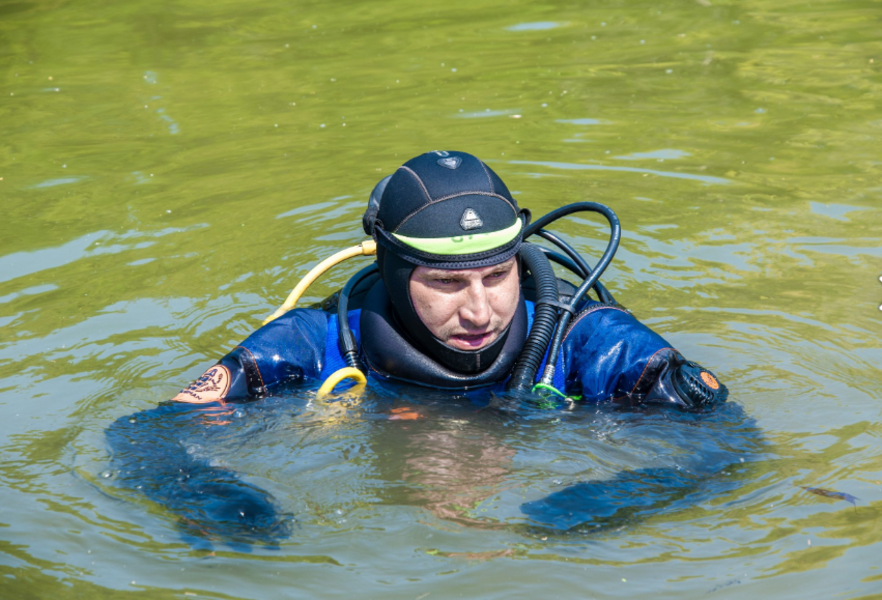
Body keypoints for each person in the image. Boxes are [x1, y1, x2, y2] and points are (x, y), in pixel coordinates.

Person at [171, 150, 727, 409]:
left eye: (498, 275)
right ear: (391, 269)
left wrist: (621, 498)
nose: (481, 312)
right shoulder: (320, 344)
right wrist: (224, 499)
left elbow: (727, 439)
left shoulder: (577, 337)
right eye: (446, 283)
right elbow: (152, 438)